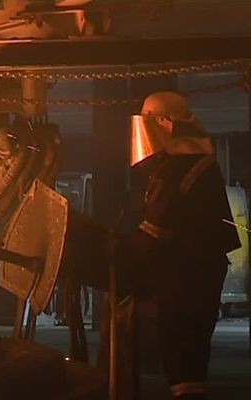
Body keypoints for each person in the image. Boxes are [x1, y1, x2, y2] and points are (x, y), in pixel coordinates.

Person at [120, 91, 241, 399]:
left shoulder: (181, 167)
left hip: (186, 275)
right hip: (198, 271)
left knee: (181, 348)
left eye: (149, 119)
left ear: (164, 123)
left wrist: (122, 253)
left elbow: (157, 224)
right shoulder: (195, 162)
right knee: (191, 351)